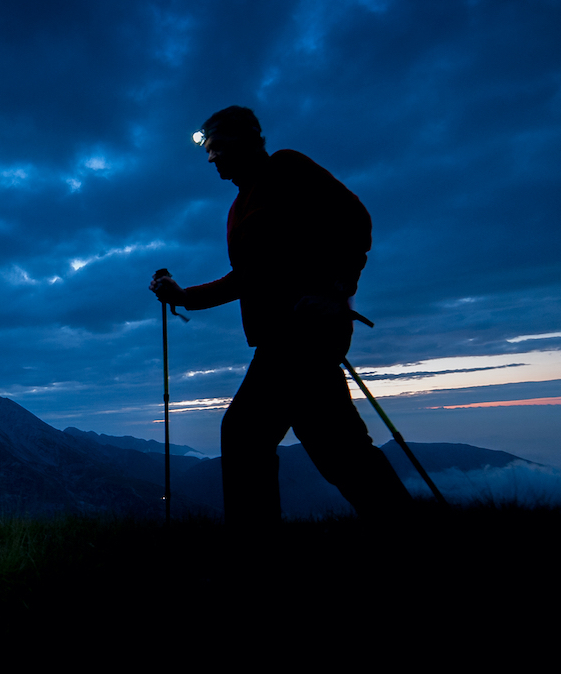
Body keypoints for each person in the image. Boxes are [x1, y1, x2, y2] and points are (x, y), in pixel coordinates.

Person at [150, 106, 411, 525]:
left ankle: (256, 559)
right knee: (338, 449)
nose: (211, 158)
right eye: (208, 151)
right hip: (282, 336)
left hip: (302, 333)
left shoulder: (286, 167)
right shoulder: (239, 206)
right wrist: (183, 297)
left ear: (248, 139)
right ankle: (408, 527)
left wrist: (337, 291)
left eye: (216, 147)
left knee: (244, 436)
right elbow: (246, 278)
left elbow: (355, 219)